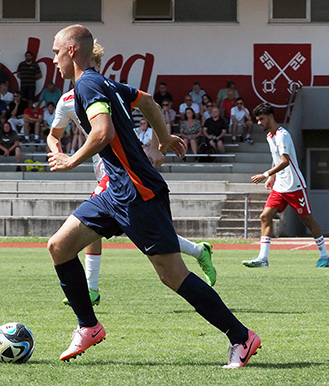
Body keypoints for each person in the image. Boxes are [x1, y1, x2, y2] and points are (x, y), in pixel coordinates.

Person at [48, 24, 259, 368]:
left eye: (56, 51)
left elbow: (102, 132)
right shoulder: (104, 83)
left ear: (72, 50)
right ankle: (88, 326)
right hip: (115, 191)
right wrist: (163, 139)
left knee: (172, 275)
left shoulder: (87, 84)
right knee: (59, 246)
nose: (53, 59)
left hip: (137, 191)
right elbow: (146, 101)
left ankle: (241, 337)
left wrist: (72, 159)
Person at [49, 41, 217, 312]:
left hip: (122, 175)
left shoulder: (98, 86)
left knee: (165, 266)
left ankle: (91, 291)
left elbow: (108, 130)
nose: (55, 60)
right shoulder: (70, 99)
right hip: (109, 171)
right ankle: (198, 251)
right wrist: (56, 151)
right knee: (141, 243)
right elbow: (53, 134)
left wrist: (155, 144)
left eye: (57, 53)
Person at [244, 103, 329, 269]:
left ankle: (324, 257)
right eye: (258, 120)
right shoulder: (270, 137)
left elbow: (285, 161)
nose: (259, 123)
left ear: (270, 116)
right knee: (265, 216)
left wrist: (265, 175)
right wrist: (273, 178)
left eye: (261, 119)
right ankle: (263, 258)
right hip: (280, 186)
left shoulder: (282, 135)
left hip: (294, 185)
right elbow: (277, 160)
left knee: (307, 220)